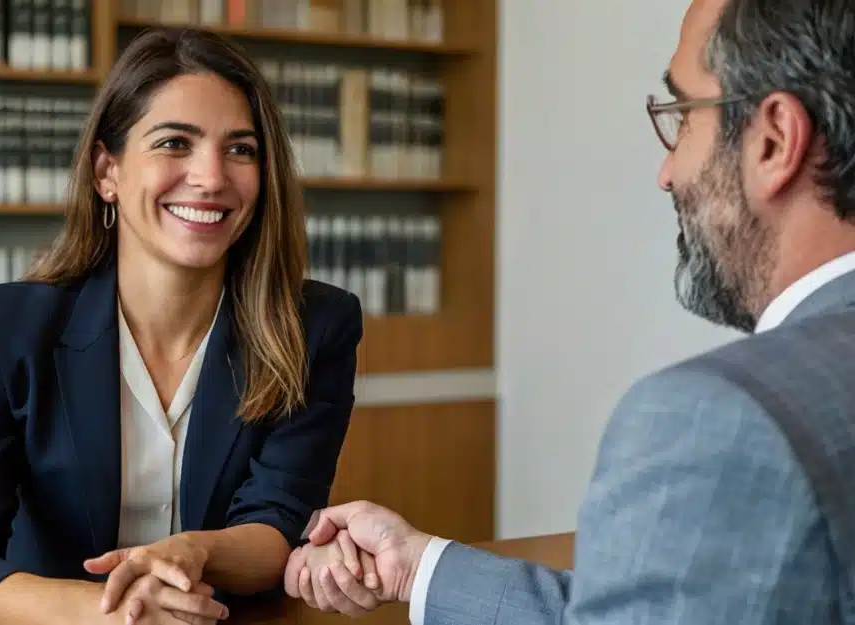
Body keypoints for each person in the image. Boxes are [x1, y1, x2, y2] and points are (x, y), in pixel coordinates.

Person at [285, 0, 855, 623]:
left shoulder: (720, 418)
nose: (667, 173)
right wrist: (419, 566)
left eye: (682, 118)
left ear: (774, 139)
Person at [0, 26, 364, 625]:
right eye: (175, 142)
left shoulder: (312, 327)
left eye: (241, 148)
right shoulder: (13, 328)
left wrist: (189, 553)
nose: (211, 177)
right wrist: (111, 613)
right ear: (107, 172)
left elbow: (278, 523)